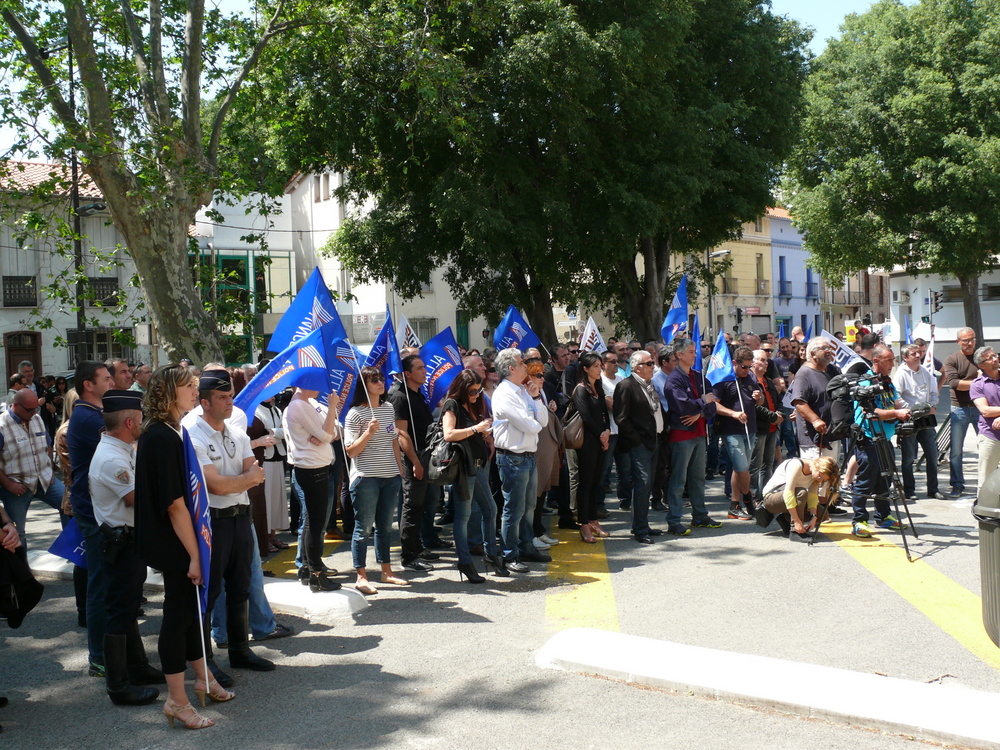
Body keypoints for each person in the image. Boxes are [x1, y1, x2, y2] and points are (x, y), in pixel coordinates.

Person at [135, 365, 230, 730]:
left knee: (190, 615)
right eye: (188, 386)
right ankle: (176, 700)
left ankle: (203, 678)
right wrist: (195, 555)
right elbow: (175, 504)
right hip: (174, 544)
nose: (195, 390)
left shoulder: (170, 431)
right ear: (168, 393)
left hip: (181, 540)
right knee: (177, 620)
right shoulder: (161, 436)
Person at [187, 369, 273, 678]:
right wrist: (243, 480)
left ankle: (240, 650)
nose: (229, 402)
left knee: (241, 585)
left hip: (239, 517)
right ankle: (205, 661)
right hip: (214, 522)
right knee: (209, 592)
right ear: (204, 402)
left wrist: (239, 480)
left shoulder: (235, 429)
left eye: (230, 396)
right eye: (222, 398)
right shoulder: (193, 432)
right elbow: (216, 486)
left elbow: (255, 470)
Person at [89, 390, 162, 706]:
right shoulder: (112, 457)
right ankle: (119, 686)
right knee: (120, 611)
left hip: (130, 540)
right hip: (122, 542)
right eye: (141, 418)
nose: (143, 423)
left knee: (129, 606)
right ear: (130, 421)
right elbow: (138, 499)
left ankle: (137, 667)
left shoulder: (121, 448)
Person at [67, 360, 115, 676]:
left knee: (108, 583)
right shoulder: (86, 417)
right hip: (93, 510)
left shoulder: (93, 414)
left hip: (98, 507)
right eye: (106, 378)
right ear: (89, 384)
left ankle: (110, 653)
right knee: (100, 586)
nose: (111, 382)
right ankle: (98, 657)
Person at [344, 366, 407, 595]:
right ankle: (361, 576)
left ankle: (386, 571)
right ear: (364, 385)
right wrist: (368, 433)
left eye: (381, 378)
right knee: (363, 529)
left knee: (384, 527)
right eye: (374, 380)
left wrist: (399, 469)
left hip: (389, 476)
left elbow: (393, 440)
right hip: (366, 477)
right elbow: (351, 451)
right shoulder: (355, 414)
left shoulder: (388, 408)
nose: (380, 383)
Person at [492, 348, 548, 571]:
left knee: (529, 507)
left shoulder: (523, 390)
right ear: (511, 368)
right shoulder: (504, 394)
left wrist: (535, 397)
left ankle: (526, 547)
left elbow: (541, 421)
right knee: (513, 509)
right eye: (522, 362)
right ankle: (510, 554)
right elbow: (531, 425)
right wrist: (533, 416)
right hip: (512, 458)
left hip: (528, 456)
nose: (527, 365)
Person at [441, 370, 499, 582]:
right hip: (464, 467)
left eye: (479, 390)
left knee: (490, 510)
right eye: (473, 391)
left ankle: (491, 555)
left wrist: (485, 432)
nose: (476, 395)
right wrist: (476, 429)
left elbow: (472, 431)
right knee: (463, 516)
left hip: (479, 465)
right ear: (462, 390)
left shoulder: (473, 404)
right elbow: (449, 434)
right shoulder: (452, 405)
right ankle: (465, 561)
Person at [282, 387, 341, 592]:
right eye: (315, 382)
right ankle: (315, 573)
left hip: (320, 467)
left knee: (314, 523)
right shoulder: (298, 405)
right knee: (314, 524)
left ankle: (310, 570)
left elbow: (336, 429)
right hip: (310, 469)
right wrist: (332, 408)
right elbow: (327, 433)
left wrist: (327, 432)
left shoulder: (311, 403)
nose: (321, 387)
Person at [851, 345, 910, 538]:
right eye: (889, 360)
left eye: (893, 360)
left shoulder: (887, 382)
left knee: (885, 479)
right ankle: (859, 520)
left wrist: (904, 409)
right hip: (868, 438)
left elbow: (892, 403)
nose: (893, 364)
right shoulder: (866, 382)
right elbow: (871, 412)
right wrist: (895, 413)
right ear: (876, 360)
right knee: (865, 481)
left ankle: (883, 516)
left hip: (885, 438)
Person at [663, 338, 720, 534]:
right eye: (690, 351)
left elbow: (712, 404)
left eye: (695, 351)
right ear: (679, 355)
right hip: (682, 435)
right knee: (679, 479)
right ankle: (674, 520)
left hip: (700, 432)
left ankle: (700, 516)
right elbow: (682, 406)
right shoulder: (674, 380)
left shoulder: (698, 377)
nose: (695, 354)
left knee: (698, 478)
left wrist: (700, 411)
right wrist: (702, 403)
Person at [0, 389, 67, 553]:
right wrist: (8, 485)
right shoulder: (2, 426)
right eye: (30, 409)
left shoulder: (37, 418)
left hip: (44, 480)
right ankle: (22, 573)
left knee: (69, 506)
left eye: (36, 408)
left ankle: (70, 550)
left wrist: (50, 468)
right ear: (15, 405)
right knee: (17, 532)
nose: (34, 412)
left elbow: (48, 444)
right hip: (17, 486)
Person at [388, 355, 438, 572]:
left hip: (424, 457)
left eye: (424, 366)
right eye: (419, 368)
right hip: (413, 460)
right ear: (407, 373)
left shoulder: (418, 395)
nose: (424, 371)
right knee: (412, 507)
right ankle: (409, 556)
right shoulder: (399, 397)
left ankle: (417, 548)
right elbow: (401, 433)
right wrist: (415, 462)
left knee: (422, 507)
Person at [613, 349, 664, 544]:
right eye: (649, 364)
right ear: (637, 367)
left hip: (654, 440)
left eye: (652, 363)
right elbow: (621, 418)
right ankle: (640, 529)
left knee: (648, 485)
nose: (653, 367)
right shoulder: (626, 386)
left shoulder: (649, 384)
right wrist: (637, 440)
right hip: (640, 444)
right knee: (642, 485)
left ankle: (642, 524)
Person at [713, 345, 764, 520]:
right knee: (742, 468)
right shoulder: (724, 379)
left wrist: (759, 398)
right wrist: (733, 413)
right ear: (734, 363)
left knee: (740, 468)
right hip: (731, 430)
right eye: (744, 367)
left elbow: (759, 401)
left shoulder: (750, 376)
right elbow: (714, 404)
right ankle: (748, 498)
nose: (747, 370)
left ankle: (734, 505)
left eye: (750, 366)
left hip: (750, 428)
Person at [892, 343, 942, 500]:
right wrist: (911, 410)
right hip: (910, 420)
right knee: (908, 458)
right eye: (913, 354)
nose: (918, 356)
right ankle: (909, 490)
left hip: (926, 420)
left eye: (919, 353)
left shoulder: (926, 372)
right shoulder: (900, 374)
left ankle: (933, 489)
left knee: (932, 455)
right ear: (905, 358)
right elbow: (896, 397)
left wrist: (932, 405)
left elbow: (934, 392)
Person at [572, 352, 610, 543]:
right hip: (587, 441)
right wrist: (601, 435)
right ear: (585, 369)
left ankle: (594, 519)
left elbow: (604, 412)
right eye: (595, 366)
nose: (599, 369)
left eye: (600, 365)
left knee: (597, 481)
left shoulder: (599, 386)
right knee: (585, 482)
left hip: (601, 439)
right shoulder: (581, 389)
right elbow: (585, 417)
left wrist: (608, 431)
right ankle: (584, 523)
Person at [759, 456, 840, 536]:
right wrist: (797, 521)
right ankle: (795, 531)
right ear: (817, 466)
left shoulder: (814, 472)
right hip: (771, 499)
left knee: (823, 514)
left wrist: (814, 516)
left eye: (823, 479)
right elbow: (788, 494)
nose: (820, 479)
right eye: (820, 476)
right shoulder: (796, 465)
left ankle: (785, 518)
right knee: (801, 493)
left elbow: (813, 497)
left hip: (790, 499)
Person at [942, 328, 980, 497]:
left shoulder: (982, 357)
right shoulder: (952, 359)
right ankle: (957, 484)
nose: (969, 343)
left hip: (981, 409)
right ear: (958, 341)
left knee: (990, 447)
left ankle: (990, 484)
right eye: (965, 340)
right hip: (960, 409)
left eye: (971, 339)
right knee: (956, 451)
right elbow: (954, 384)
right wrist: (980, 382)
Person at [789, 338, 841, 461]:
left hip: (831, 434)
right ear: (813, 353)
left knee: (830, 475)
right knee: (816, 476)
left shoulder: (831, 371)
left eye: (829, 348)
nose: (828, 351)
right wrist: (815, 420)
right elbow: (799, 402)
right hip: (814, 439)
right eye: (824, 348)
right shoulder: (804, 374)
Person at [750, 350, 783, 504]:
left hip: (771, 428)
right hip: (759, 428)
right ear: (752, 362)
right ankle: (754, 496)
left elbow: (777, 400)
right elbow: (753, 407)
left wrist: (780, 413)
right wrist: (773, 417)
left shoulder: (767, 380)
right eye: (762, 360)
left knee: (768, 464)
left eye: (766, 360)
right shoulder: (749, 382)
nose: (766, 363)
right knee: (755, 465)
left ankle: (766, 493)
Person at [649, 346, 676, 513]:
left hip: (677, 425)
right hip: (662, 428)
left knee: (673, 465)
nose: (677, 363)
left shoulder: (678, 378)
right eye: (674, 360)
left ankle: (670, 497)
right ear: (664, 362)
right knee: (660, 465)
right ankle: (656, 498)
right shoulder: (656, 380)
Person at [970, 346, 1000, 490]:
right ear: (981, 365)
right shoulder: (977, 385)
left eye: (995, 355)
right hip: (990, 437)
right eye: (990, 358)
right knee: (986, 480)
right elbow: (986, 411)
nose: (995, 359)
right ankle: (984, 511)